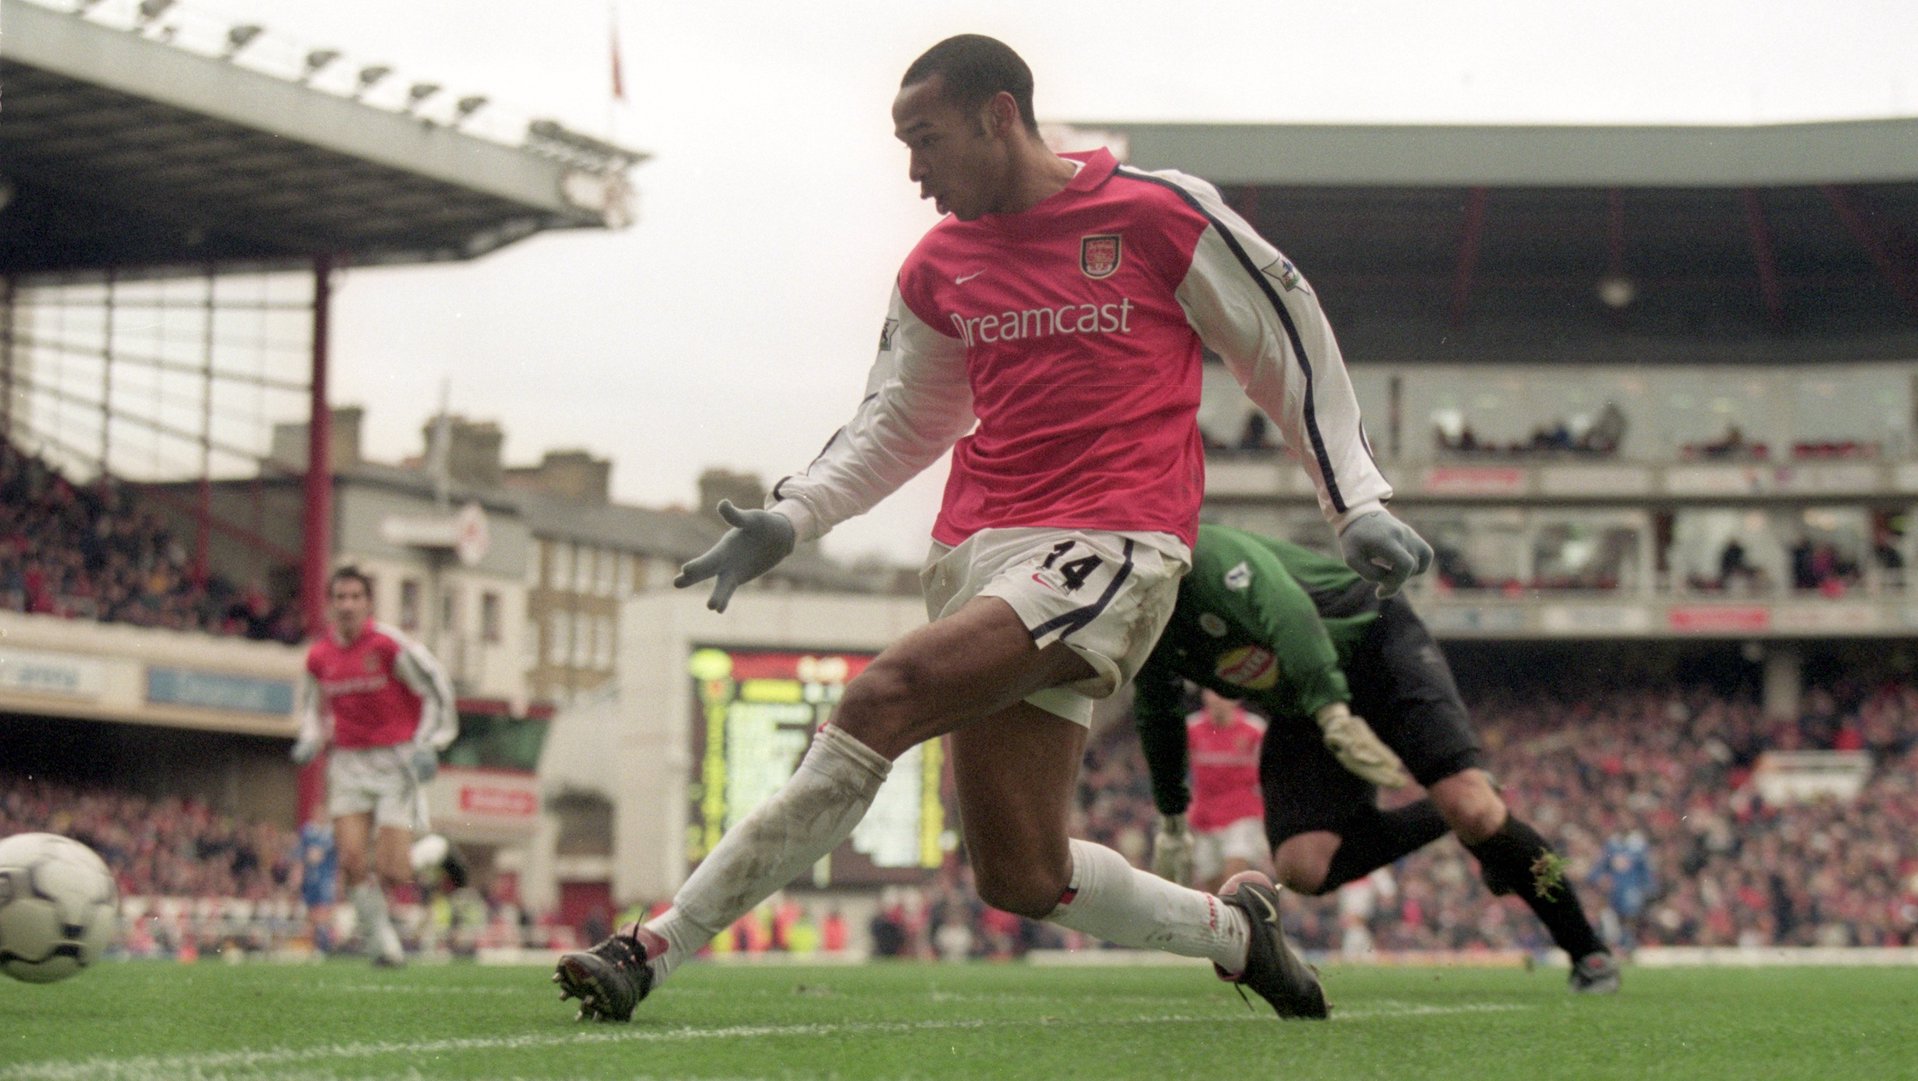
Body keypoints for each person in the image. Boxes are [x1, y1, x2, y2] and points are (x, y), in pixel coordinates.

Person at [552, 33, 1430, 1023]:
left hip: (1112, 545)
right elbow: (902, 417)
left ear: (997, 114)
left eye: (924, 140)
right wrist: (792, 516)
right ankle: (1235, 934)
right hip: (979, 552)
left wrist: (1353, 497)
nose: (914, 171)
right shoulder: (939, 265)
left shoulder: (1154, 213)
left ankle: (652, 945)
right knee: (1019, 872)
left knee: (884, 696)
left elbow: (1286, 343)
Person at [1133, 523, 1621, 993]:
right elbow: (1157, 710)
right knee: (1303, 868)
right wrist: (1173, 815)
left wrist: (1333, 712)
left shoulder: (1208, 555)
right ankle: (1459, 822)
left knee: (1472, 807)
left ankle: (1587, 949)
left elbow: (1290, 614)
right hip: (1304, 695)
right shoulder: (1140, 617)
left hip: (1373, 640)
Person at [291, 565, 461, 967]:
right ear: (330, 604)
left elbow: (436, 688)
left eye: (355, 597)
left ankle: (435, 850)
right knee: (350, 861)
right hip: (348, 763)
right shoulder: (319, 657)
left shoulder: (389, 646)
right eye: (340, 597)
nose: (347, 604)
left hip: (395, 761)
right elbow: (312, 709)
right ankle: (384, 944)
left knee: (392, 870)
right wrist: (309, 739)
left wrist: (428, 744)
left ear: (368, 604)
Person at [1151, 689, 1272, 892]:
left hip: (1243, 814)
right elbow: (1172, 768)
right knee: (1213, 887)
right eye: (1212, 693)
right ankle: (1226, 921)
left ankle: (1241, 916)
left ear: (1235, 698)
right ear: (1205, 696)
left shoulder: (1255, 729)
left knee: (1234, 873)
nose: (1218, 699)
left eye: (1223, 694)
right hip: (1205, 818)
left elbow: (1271, 773)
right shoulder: (1191, 728)